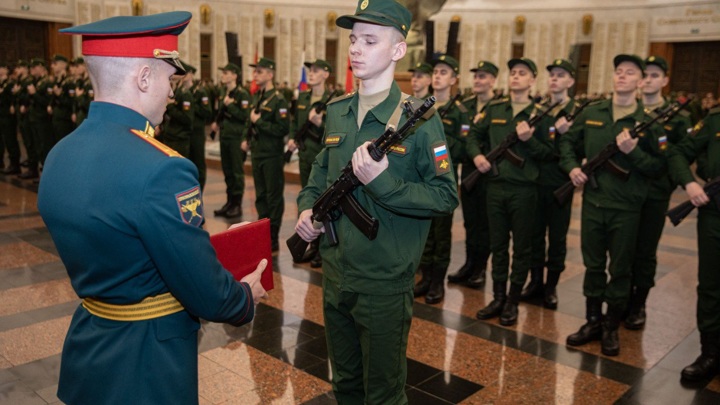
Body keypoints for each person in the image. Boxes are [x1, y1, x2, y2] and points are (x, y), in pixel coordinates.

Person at [37, 12, 267, 404]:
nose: (172, 93)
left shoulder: (59, 154)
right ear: (143, 78)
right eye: (167, 79)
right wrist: (244, 297)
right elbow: (205, 293)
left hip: (89, 348)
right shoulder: (163, 169)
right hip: (148, 365)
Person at [294, 0, 458, 402]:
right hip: (335, 273)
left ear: (398, 50)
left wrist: (384, 185)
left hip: (384, 281)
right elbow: (321, 169)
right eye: (353, 39)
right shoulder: (339, 110)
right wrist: (307, 206)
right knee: (346, 385)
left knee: (383, 393)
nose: (355, 49)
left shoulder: (418, 121)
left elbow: (446, 195)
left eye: (370, 40)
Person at [560, 54, 665, 356]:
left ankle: (611, 326)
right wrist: (572, 168)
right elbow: (568, 144)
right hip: (594, 203)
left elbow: (659, 167)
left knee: (620, 269)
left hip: (627, 207)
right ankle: (592, 320)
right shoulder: (595, 112)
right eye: (618, 71)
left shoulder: (648, 121)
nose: (621, 76)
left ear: (640, 80)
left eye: (629, 72)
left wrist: (633, 153)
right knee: (593, 265)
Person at [470, 58, 553, 326]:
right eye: (513, 73)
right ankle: (497, 296)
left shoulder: (541, 114)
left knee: (522, 248)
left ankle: (513, 300)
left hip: (524, 190)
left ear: (532, 81)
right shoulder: (495, 108)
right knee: (498, 245)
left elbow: (549, 154)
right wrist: (477, 157)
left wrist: (529, 142)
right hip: (495, 187)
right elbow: (472, 136)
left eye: (522, 74)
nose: (516, 77)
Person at [626, 55, 691, 329]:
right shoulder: (630, 111)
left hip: (654, 193)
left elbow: (677, 158)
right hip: (628, 190)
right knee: (623, 248)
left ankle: (638, 303)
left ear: (665, 80)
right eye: (645, 75)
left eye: (655, 75)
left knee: (645, 250)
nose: (649, 80)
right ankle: (620, 299)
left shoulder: (679, 118)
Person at [668, 105, 720, 381]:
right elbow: (677, 152)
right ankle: (709, 352)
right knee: (711, 285)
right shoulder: (714, 120)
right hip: (715, 215)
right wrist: (689, 183)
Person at [414, 54, 469, 304]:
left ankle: (438, 281)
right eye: (435, 71)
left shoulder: (460, 111)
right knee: (425, 229)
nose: (437, 76)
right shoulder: (421, 106)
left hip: (443, 177)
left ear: (454, 79)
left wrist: (437, 148)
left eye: (444, 72)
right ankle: (425, 277)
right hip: (420, 176)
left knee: (441, 232)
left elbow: (463, 145)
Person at [525, 59, 579, 309]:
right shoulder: (540, 110)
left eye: (561, 75)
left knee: (557, 238)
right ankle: (535, 281)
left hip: (561, 185)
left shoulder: (578, 112)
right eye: (552, 75)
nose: (555, 79)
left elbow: (575, 150)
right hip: (538, 182)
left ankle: (551, 286)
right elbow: (535, 149)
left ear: (570, 81)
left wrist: (565, 136)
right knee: (535, 235)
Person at [450, 60, 498, 288]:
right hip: (469, 170)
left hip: (490, 172)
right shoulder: (465, 106)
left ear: (494, 81)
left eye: (484, 76)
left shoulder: (499, 107)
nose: (478, 80)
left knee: (486, 223)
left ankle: (480, 268)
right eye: (476, 76)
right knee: (470, 221)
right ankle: (469, 264)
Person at [286, 59, 334, 267]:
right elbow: (295, 123)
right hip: (305, 156)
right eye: (310, 70)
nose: (311, 74)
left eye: (316, 70)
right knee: (307, 199)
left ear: (326, 74)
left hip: (322, 158)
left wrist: (319, 123)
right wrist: (292, 138)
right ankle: (310, 244)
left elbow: (335, 134)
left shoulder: (332, 101)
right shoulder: (303, 97)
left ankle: (321, 249)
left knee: (323, 202)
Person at [242, 57, 290, 251]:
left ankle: (273, 237)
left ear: (270, 74)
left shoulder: (279, 99)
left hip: (272, 154)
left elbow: (282, 128)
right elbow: (251, 121)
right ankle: (263, 232)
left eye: (260, 71)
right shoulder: (257, 97)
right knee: (260, 195)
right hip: (258, 152)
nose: (255, 75)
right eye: (255, 71)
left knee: (273, 196)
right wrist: (247, 138)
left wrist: (259, 121)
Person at [211, 63, 251, 218]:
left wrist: (231, 106)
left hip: (235, 138)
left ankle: (237, 205)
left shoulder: (242, 94)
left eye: (226, 72)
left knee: (236, 172)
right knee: (227, 171)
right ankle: (229, 202)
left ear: (234, 75)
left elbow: (245, 116)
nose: (223, 75)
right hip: (225, 137)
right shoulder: (222, 92)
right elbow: (221, 112)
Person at [184, 62, 212, 191]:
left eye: (184, 73)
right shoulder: (183, 92)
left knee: (198, 162)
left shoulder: (200, 92)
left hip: (197, 132)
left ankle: (200, 190)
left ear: (190, 75)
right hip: (187, 132)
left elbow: (207, 111)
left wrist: (192, 108)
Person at [0, 61, 20, 174]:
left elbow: (12, 98)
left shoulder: (10, 83)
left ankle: (15, 164)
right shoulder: (2, 83)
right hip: (2, 115)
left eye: (2, 68)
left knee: (10, 139)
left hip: (8, 116)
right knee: (5, 140)